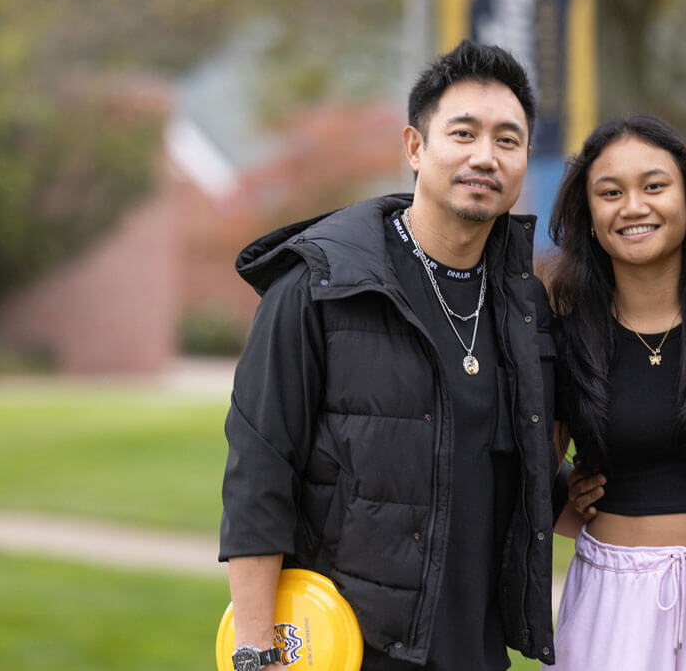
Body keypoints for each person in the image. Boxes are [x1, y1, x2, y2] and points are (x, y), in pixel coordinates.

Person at [219, 40, 559, 671]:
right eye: (464, 132)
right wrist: (253, 650)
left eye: (507, 140)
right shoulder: (319, 286)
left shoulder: (522, 302)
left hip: (476, 650)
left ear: (524, 160)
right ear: (414, 147)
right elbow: (258, 475)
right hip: (348, 646)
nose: (485, 156)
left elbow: (499, 465)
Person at [545, 115, 686, 670]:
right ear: (589, 216)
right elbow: (526, 469)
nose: (633, 206)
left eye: (654, 186)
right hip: (616, 598)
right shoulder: (565, 339)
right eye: (610, 192)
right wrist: (564, 496)